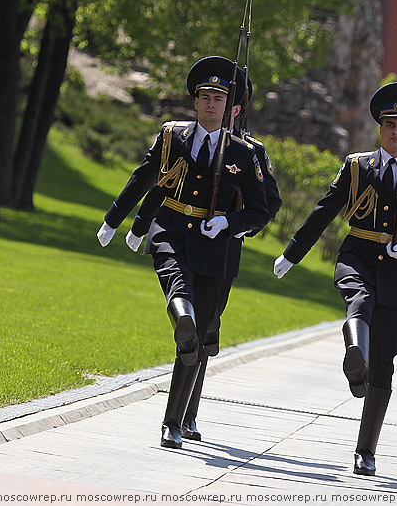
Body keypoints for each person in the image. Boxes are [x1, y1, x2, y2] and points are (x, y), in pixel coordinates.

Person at [272, 82, 397, 476]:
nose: (396, 131)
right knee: (359, 301)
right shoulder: (357, 167)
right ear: (379, 127)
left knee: (384, 365)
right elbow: (325, 210)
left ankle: (365, 450)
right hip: (357, 255)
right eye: (390, 124)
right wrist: (292, 253)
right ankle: (356, 356)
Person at [96, 56, 269, 449]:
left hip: (216, 248)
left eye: (218, 98)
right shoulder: (172, 136)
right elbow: (146, 177)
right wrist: (115, 220)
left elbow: (262, 209)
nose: (210, 103)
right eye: (204, 96)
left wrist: (229, 223)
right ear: (195, 101)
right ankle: (171, 413)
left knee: (197, 339)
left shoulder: (243, 152)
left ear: (230, 106)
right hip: (171, 230)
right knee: (179, 291)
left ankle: (182, 415)